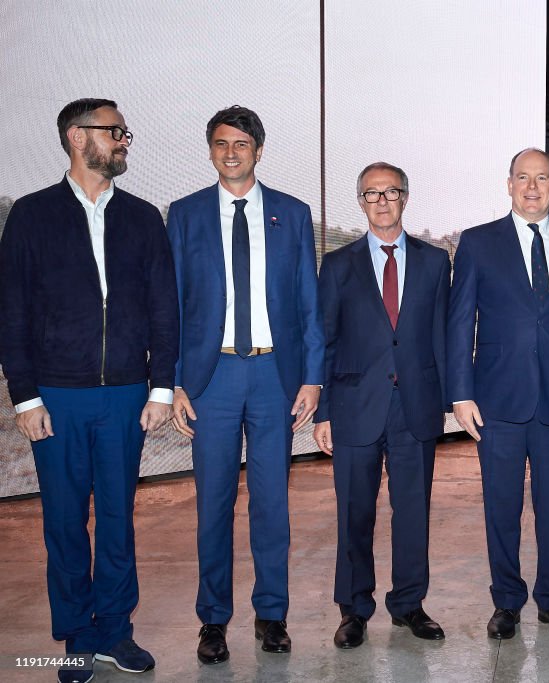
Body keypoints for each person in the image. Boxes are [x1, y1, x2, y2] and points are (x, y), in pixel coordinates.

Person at [0, 98, 177, 682]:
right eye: (115, 131)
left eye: (125, 130)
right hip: (56, 396)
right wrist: (25, 397)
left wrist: (159, 388)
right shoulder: (31, 215)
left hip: (127, 395)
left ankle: (116, 630)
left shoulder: (144, 217)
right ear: (78, 138)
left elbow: (163, 311)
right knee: (64, 520)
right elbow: (13, 312)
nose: (125, 139)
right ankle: (77, 633)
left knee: (120, 519)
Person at [167, 106, 324, 664]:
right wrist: (176, 382)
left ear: (259, 149)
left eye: (241, 143)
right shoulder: (184, 215)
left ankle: (271, 615)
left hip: (274, 376)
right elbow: (174, 307)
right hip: (211, 379)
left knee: (271, 505)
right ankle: (212, 620)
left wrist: (312, 378)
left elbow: (309, 301)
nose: (231, 152)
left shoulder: (292, 213)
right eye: (220, 143)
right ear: (210, 151)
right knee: (212, 503)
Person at [447, 148, 549, 639]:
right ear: (509, 184)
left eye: (542, 178)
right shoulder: (477, 243)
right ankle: (507, 601)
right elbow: (460, 324)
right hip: (496, 399)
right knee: (500, 506)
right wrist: (460, 392)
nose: (533, 187)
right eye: (524, 177)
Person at [313, 162, 450, 649]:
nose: (382, 202)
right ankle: (354, 608)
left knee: (413, 510)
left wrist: (450, 400)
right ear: (361, 202)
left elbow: (441, 336)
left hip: (415, 406)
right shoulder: (337, 265)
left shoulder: (436, 263)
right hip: (354, 405)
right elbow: (324, 340)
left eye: (390, 192)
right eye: (371, 194)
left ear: (405, 198)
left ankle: (409, 604)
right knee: (355, 511)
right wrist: (323, 410)